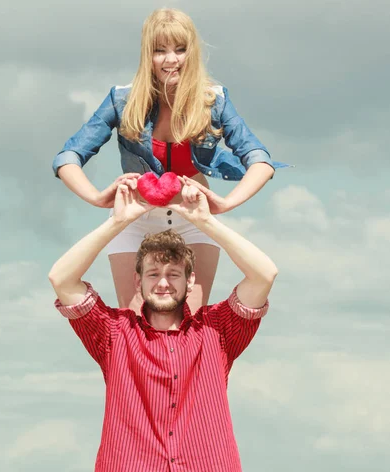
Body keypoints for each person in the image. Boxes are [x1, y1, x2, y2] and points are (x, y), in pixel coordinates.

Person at [49, 177, 278, 472]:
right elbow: (61, 278)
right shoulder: (113, 335)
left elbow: (265, 273)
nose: (163, 282)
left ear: (190, 282)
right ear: (137, 282)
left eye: (174, 273)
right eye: (153, 272)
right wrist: (120, 222)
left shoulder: (217, 332)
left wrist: (204, 223)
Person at [52, 8, 287, 314]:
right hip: (135, 219)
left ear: (193, 53)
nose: (170, 59)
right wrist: (98, 199)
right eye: (159, 50)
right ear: (147, 54)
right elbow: (68, 157)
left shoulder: (213, 100)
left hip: (192, 218)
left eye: (180, 49)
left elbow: (260, 161)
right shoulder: (121, 99)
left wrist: (224, 204)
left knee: (186, 321)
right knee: (136, 324)